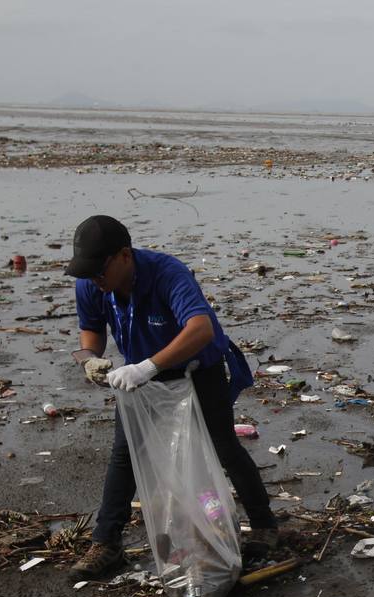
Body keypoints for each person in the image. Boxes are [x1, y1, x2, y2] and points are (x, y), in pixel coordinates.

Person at [64, 215, 280, 578]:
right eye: (89, 274)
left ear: (124, 256)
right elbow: (91, 330)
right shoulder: (92, 284)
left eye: (101, 271)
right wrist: (90, 359)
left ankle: (265, 525)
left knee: (223, 446)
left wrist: (148, 367)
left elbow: (201, 328)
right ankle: (106, 542)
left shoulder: (167, 274)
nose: (96, 281)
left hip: (197, 367)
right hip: (138, 375)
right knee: (127, 452)